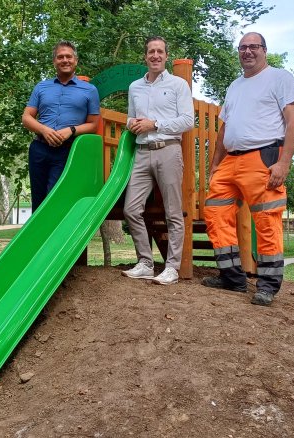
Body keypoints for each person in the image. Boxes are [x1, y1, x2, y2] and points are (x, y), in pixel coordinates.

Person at [200, 32, 294, 306]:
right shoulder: (234, 86)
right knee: (215, 214)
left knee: (267, 220)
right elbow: (224, 128)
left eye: (253, 47)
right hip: (229, 161)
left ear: (264, 50)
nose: (247, 51)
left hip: (263, 157)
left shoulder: (280, 78)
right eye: (243, 47)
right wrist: (214, 165)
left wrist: (284, 161)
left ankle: (268, 285)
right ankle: (232, 279)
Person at [121, 37, 194, 285]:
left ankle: (172, 267)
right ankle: (145, 262)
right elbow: (131, 118)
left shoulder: (178, 84)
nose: (155, 55)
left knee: (173, 211)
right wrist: (131, 124)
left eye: (159, 51)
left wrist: (156, 124)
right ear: (145, 56)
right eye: (151, 51)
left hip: (169, 150)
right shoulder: (135, 87)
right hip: (141, 152)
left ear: (166, 55)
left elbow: (187, 121)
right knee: (131, 209)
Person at [22, 41, 102, 212]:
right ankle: (39, 238)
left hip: (68, 151)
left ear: (76, 60)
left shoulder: (89, 90)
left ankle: (56, 237)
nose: (65, 60)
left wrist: (71, 130)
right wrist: (44, 129)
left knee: (55, 197)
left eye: (68, 56)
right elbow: (27, 117)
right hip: (39, 149)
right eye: (60, 57)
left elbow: (94, 125)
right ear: (54, 62)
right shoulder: (41, 87)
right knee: (38, 200)